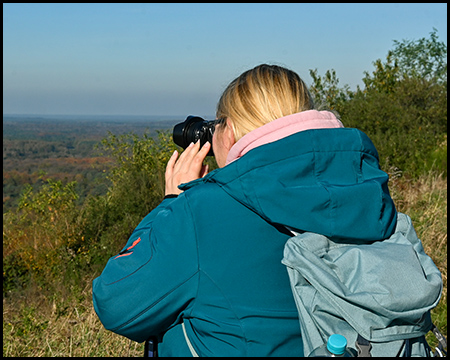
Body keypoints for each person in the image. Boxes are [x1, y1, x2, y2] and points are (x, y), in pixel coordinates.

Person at [92, 64, 397, 356]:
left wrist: (172, 203)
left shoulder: (204, 212)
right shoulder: (367, 190)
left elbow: (115, 303)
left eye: (219, 123)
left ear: (231, 131)